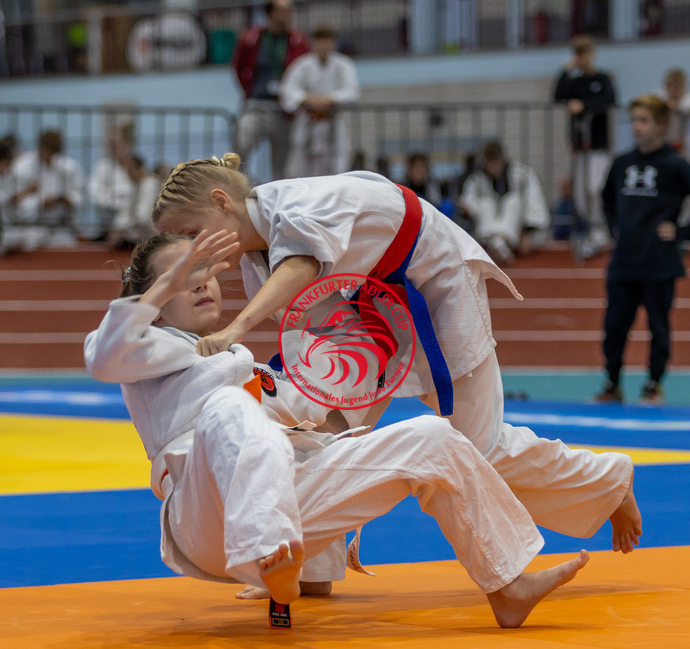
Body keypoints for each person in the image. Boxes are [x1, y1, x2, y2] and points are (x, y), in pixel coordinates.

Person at [84, 230, 591, 626]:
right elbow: (102, 355)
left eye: (203, 271)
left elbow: (312, 418)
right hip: (202, 519)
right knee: (228, 407)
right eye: (180, 277)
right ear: (151, 302)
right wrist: (159, 289)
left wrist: (361, 350)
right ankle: (269, 553)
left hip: (278, 512)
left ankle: (507, 585)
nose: (199, 282)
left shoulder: (243, 362)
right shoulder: (143, 354)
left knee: (430, 437)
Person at [149, 154, 643, 556]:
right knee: (325, 437)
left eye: (192, 233)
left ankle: (609, 480)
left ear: (221, 202)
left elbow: (302, 265)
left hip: (433, 281)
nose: (192, 251)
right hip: (367, 312)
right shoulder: (257, 262)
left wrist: (237, 327)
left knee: (478, 449)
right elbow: (312, 327)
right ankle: (302, 569)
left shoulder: (293, 204)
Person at [596, 95, 690, 406]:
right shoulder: (622, 163)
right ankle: (612, 383)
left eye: (644, 121)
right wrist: (616, 228)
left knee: (658, 327)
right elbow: (607, 198)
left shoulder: (674, 164)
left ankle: (653, 385)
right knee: (614, 326)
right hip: (624, 260)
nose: (637, 127)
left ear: (661, 126)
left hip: (659, 262)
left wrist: (684, 232)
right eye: (634, 120)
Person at [553, 35, 616, 260]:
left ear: (592, 54)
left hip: (598, 146)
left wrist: (584, 106)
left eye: (585, 53)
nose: (582, 58)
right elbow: (558, 95)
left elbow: (608, 100)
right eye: (578, 54)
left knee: (595, 188)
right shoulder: (574, 81)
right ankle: (591, 229)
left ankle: (601, 229)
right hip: (579, 146)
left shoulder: (602, 78)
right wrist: (565, 70)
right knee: (580, 193)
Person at [231, 0, 309, 180]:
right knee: (241, 146)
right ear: (270, 14)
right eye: (284, 11)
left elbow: (305, 71)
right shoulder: (251, 39)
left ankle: (280, 194)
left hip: (284, 110)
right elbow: (238, 67)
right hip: (256, 105)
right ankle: (235, 186)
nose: (289, 16)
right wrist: (248, 90)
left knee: (283, 163)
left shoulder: (298, 42)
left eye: (290, 11)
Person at [278, 25, 359, 178]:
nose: (323, 45)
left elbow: (351, 91)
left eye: (327, 41)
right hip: (307, 122)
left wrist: (329, 99)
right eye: (320, 41)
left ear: (333, 43)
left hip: (332, 122)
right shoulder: (302, 65)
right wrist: (308, 98)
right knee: (302, 171)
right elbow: (288, 90)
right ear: (313, 43)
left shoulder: (343, 65)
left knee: (337, 169)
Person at [459, 141, 551, 261]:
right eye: (489, 163)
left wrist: (528, 231)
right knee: (486, 204)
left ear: (503, 159)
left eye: (495, 162)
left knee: (512, 201)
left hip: (518, 234)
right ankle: (497, 241)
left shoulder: (523, 175)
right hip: (485, 235)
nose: (492, 167)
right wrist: (466, 208)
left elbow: (534, 202)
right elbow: (468, 202)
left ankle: (499, 241)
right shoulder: (477, 180)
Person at [4, 129, 84, 251]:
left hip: (60, 227)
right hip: (31, 226)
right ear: (40, 147)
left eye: (53, 153)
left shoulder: (68, 168)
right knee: (23, 242)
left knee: (65, 247)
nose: (49, 156)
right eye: (47, 151)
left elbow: (78, 197)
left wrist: (67, 200)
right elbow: (13, 202)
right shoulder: (22, 166)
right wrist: (40, 202)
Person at [88, 126, 135, 241]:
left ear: (128, 144)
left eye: (116, 143)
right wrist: (121, 202)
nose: (112, 148)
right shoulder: (102, 168)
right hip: (107, 228)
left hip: (133, 231)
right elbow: (96, 198)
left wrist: (114, 196)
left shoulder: (137, 168)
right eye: (110, 144)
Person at [106, 155, 162, 250]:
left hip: (149, 236)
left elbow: (143, 217)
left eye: (130, 169)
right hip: (140, 235)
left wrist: (122, 230)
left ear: (139, 168)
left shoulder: (149, 185)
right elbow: (127, 211)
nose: (128, 173)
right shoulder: (137, 185)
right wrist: (118, 227)